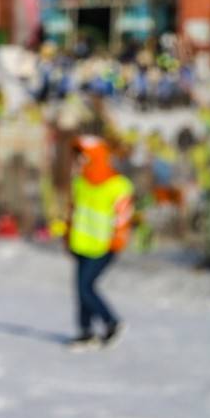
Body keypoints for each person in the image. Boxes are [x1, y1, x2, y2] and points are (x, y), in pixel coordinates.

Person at [66, 135, 134, 347]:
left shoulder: (118, 185)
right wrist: (67, 235)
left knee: (85, 287)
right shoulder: (79, 182)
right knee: (81, 288)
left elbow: (123, 215)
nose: (79, 161)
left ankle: (111, 321)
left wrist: (118, 239)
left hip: (104, 246)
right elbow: (74, 211)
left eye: (83, 157)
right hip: (81, 244)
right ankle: (86, 332)